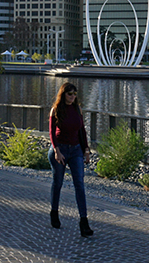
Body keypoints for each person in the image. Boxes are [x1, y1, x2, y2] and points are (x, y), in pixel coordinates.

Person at [48, 82, 93, 237]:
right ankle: (54, 212)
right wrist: (57, 151)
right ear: (63, 94)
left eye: (75, 94)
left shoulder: (77, 109)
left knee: (79, 184)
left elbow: (82, 131)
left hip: (76, 150)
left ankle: (84, 221)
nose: (73, 97)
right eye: (69, 94)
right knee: (58, 182)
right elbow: (52, 133)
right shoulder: (56, 110)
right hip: (60, 149)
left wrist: (86, 150)